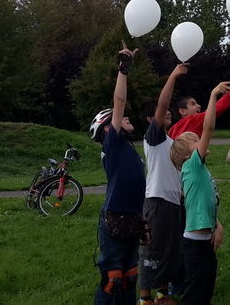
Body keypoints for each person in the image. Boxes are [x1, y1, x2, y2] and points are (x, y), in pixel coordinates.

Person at [92, 42, 149, 305]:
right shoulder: (112, 144)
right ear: (107, 128)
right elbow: (120, 100)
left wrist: (143, 218)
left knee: (130, 276)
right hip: (114, 219)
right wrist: (124, 70)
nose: (125, 117)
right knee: (113, 279)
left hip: (133, 219)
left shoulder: (129, 149)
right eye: (117, 118)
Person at [169, 81, 230, 305]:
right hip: (195, 245)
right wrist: (213, 96)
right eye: (195, 141)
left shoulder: (199, 170)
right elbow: (209, 128)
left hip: (205, 241)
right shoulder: (192, 165)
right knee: (194, 297)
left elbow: (204, 202)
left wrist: (218, 225)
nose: (200, 141)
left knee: (205, 293)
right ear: (187, 155)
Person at [138, 63, 188, 305]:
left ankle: (162, 294)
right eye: (161, 114)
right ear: (151, 120)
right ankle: (145, 298)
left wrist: (179, 190)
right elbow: (163, 105)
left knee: (170, 249)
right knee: (154, 248)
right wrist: (173, 76)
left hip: (172, 202)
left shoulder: (169, 141)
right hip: (157, 201)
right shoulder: (154, 137)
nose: (167, 113)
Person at [169, 74, 230, 139]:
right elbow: (220, 106)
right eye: (193, 104)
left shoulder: (172, 130)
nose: (199, 106)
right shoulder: (193, 121)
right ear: (183, 111)